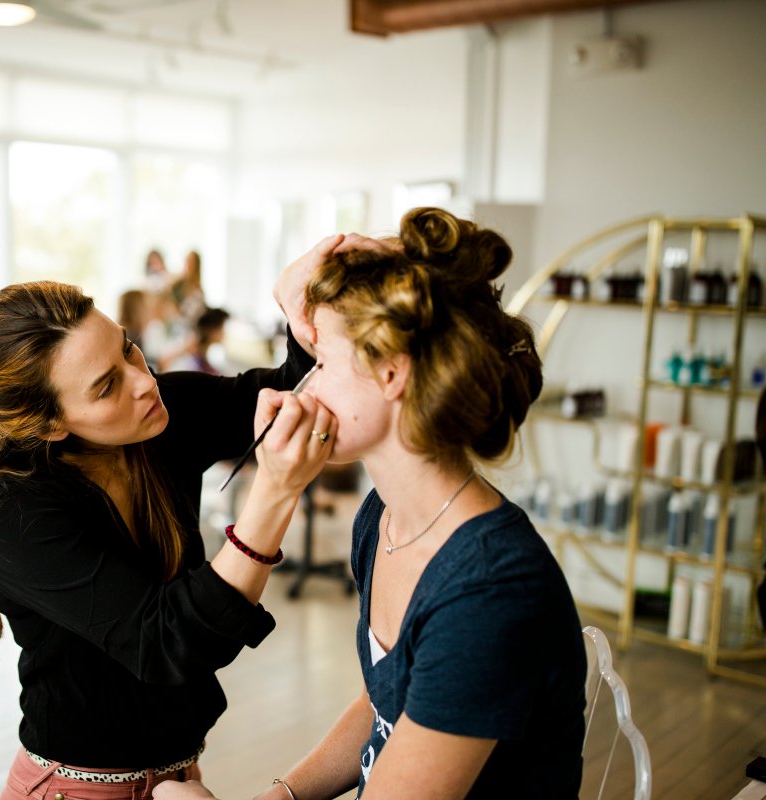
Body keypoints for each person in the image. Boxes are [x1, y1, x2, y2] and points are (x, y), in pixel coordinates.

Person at [154, 208, 586, 800]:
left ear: (391, 373)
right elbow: (382, 705)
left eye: (322, 362)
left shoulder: (490, 589)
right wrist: (280, 797)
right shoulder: (381, 518)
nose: (301, 386)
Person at [0, 239, 343, 799]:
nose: (144, 381)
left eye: (128, 350)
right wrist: (275, 492)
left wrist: (304, 310)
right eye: (107, 386)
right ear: (49, 425)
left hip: (179, 776)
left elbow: (290, 393)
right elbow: (166, 642)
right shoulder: (9, 514)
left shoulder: (163, 415)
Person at [163, 307, 230, 376]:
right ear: (210, 330)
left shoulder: (204, 354)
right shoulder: (190, 346)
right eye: (221, 328)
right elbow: (164, 361)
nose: (223, 333)